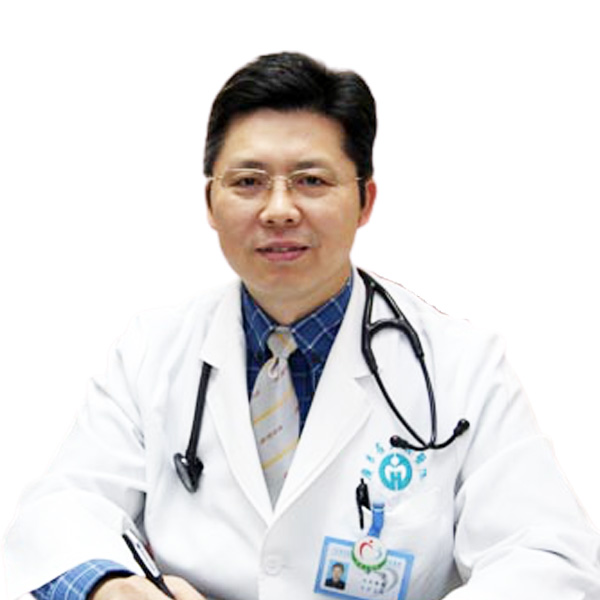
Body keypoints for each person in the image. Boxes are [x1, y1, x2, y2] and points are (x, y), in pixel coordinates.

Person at [3, 51, 600, 600]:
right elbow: (61, 510)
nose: (279, 209)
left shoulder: (462, 365)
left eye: (312, 181)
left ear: (365, 201)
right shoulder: (151, 350)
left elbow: (545, 558)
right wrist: (110, 587)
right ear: (210, 203)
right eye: (248, 182)